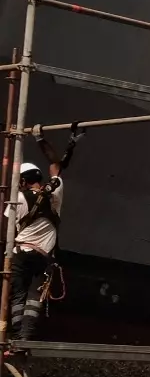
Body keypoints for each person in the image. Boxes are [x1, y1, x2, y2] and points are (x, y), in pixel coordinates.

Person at [7, 123, 79, 342]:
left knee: (17, 296)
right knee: (34, 297)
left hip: (19, 254)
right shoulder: (55, 194)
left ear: (23, 181)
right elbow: (56, 166)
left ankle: (14, 336)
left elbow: (6, 227)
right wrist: (40, 139)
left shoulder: (18, 199)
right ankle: (24, 338)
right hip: (43, 255)